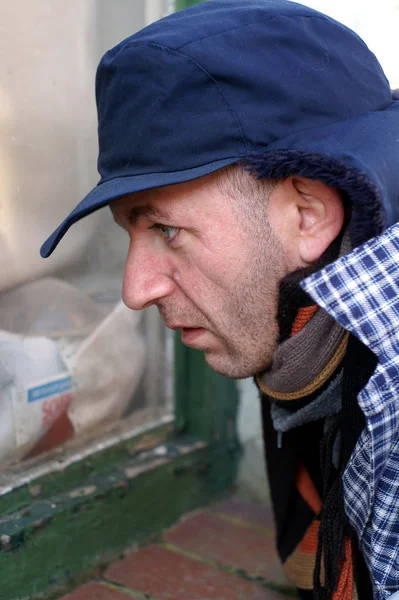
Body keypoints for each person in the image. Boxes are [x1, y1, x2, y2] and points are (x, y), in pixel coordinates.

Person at [40, 1, 399, 597]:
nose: (135, 291)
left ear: (308, 213)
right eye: (131, 233)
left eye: (167, 229)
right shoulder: (315, 310)